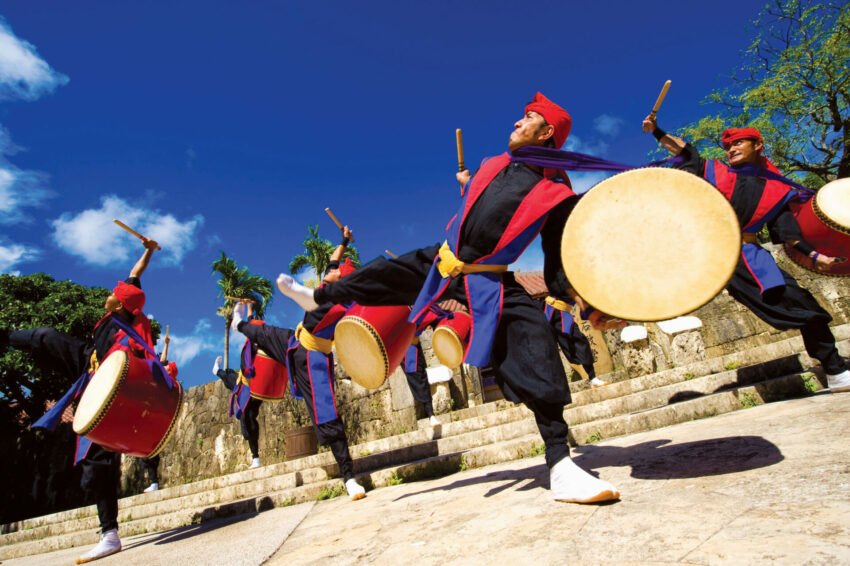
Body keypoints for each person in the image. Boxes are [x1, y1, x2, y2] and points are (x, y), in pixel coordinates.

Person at [277, 93, 620, 504]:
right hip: (444, 260)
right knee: (383, 274)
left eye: (527, 118)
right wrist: (470, 185)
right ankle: (317, 298)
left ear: (546, 133)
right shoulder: (494, 166)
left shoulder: (555, 188)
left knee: (536, 344)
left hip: (488, 278)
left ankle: (561, 465)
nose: (516, 122)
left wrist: (585, 299)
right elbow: (476, 214)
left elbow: (559, 248)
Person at [642, 114, 850, 392]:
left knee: (805, 306)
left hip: (752, 258)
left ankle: (835, 369)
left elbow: (787, 231)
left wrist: (815, 257)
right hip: (723, 258)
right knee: (804, 307)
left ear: (758, 146)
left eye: (739, 143)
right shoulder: (717, 173)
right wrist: (657, 131)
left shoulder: (778, 188)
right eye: (728, 146)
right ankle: (835, 368)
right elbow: (685, 151)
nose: (731, 149)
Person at [1, 238, 160, 563]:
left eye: (115, 292)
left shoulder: (127, 327)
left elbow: (135, 365)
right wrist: (148, 249)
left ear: (119, 304)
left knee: (96, 462)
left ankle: (109, 534)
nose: (111, 291)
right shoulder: (117, 313)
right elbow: (136, 270)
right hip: (91, 362)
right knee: (46, 337)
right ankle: (6, 338)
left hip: (111, 384)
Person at [234, 226, 367, 501]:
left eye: (336, 272)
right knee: (264, 332)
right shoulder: (329, 284)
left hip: (313, 360)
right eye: (333, 270)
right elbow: (334, 255)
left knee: (327, 415)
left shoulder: (347, 303)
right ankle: (238, 324)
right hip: (295, 342)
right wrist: (344, 239)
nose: (330, 270)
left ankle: (349, 477)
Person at [213, 301, 265, 469]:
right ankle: (255, 457)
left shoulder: (264, 344)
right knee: (230, 378)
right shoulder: (251, 341)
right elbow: (250, 322)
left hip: (255, 386)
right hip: (243, 383)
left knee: (248, 417)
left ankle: (255, 456)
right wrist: (249, 306)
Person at [541, 290, 608, 389]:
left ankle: (593, 378)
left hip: (561, 312)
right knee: (545, 349)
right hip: (547, 311)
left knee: (579, 342)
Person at [141, 332, 176, 491]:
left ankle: (154, 482)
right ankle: (153, 481)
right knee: (146, 452)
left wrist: (167, 345)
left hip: (154, 416)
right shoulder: (149, 367)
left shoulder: (163, 378)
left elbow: (162, 362)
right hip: (147, 413)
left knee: (150, 450)